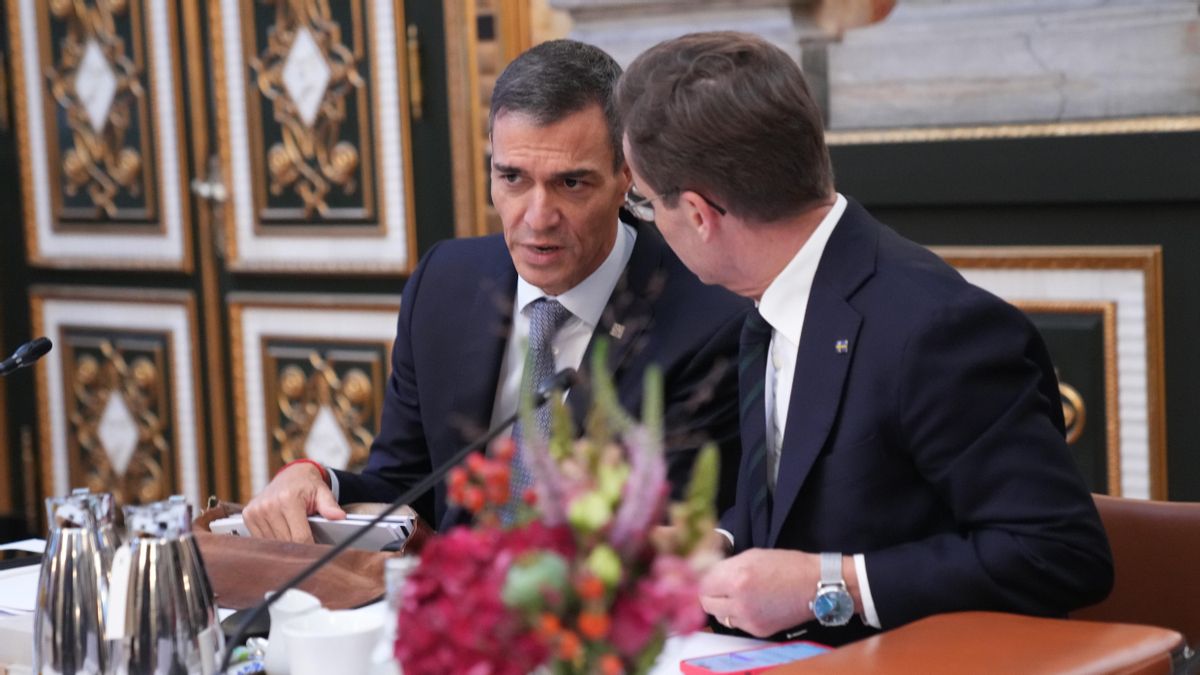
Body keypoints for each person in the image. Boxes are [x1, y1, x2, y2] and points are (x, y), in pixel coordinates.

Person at [617, 31, 1113, 646]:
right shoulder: (770, 296)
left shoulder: (937, 331)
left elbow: (1060, 554)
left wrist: (832, 584)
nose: (650, 221)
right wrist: (713, 542)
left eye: (642, 202)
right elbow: (811, 494)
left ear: (697, 213)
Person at [243, 39, 749, 543]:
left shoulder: (708, 320)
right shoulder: (445, 282)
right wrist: (317, 480)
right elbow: (405, 487)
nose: (536, 218)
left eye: (571, 184)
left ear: (626, 176)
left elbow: (678, 543)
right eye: (512, 178)